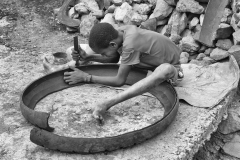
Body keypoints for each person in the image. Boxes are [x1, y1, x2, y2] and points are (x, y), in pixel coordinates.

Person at [63, 23, 183, 124]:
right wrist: (88, 57)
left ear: (113, 44)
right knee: (73, 50)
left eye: (103, 53)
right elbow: (114, 58)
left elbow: (119, 80)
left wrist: (86, 77)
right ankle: (61, 68)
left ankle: (107, 104)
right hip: (146, 65)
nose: (103, 55)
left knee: (166, 69)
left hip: (172, 70)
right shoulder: (120, 33)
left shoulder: (130, 44)